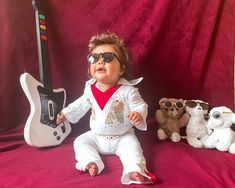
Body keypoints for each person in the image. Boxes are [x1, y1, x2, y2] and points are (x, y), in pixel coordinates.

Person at [56, 32, 156, 184]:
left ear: (121, 69)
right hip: (96, 137)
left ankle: (134, 170)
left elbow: (140, 105)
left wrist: (138, 113)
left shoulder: (128, 90)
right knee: (80, 141)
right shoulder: (89, 88)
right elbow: (81, 104)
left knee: (133, 149)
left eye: (107, 57)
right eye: (94, 58)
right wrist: (66, 113)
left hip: (123, 137)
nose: (100, 61)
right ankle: (91, 161)